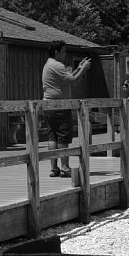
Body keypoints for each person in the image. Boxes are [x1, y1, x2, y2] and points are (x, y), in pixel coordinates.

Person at [42, 41, 91, 177]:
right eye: (63, 51)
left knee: (53, 136)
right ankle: (64, 168)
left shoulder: (49, 64)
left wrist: (78, 68)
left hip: (48, 104)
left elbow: (68, 78)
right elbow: (73, 81)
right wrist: (84, 68)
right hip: (60, 106)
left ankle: (54, 168)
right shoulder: (57, 65)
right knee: (63, 137)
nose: (65, 54)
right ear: (57, 52)